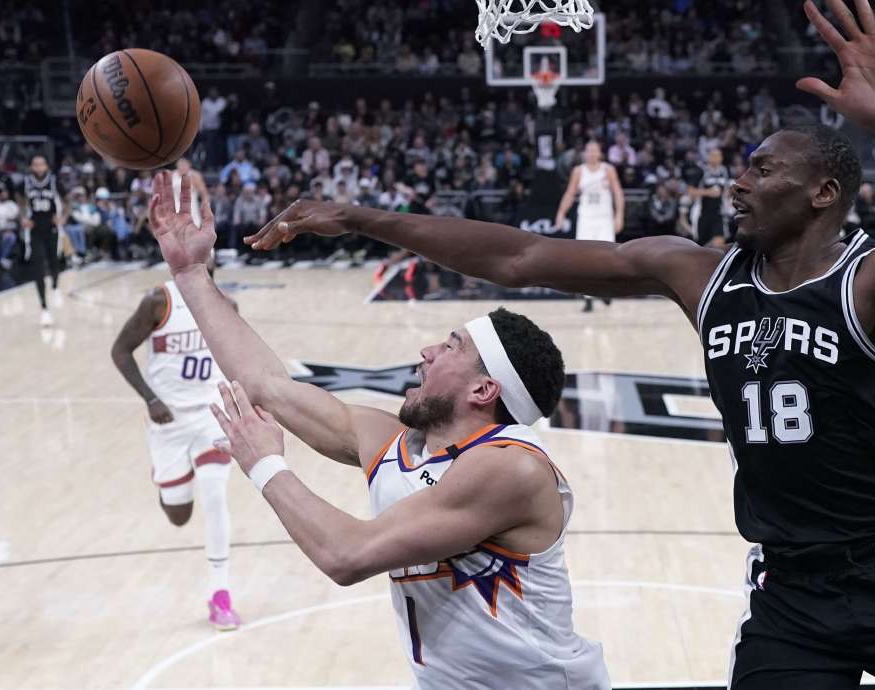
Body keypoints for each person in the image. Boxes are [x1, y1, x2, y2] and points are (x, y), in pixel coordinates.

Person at [249, 1, 875, 687]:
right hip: (789, 586)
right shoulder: (700, 274)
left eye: (762, 170)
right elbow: (519, 256)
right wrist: (363, 218)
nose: (737, 183)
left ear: (823, 193)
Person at [147, 171, 609, 689]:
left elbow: (347, 556)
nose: (426, 352)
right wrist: (190, 272)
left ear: (484, 389)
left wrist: (265, 465)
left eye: (450, 346)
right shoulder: (396, 443)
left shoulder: (511, 468)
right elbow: (266, 385)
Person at [109, 252, 242, 631]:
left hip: (210, 414)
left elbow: (237, 359)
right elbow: (120, 351)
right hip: (168, 419)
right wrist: (150, 399)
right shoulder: (158, 301)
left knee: (215, 494)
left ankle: (220, 593)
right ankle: (171, 483)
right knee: (178, 515)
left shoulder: (227, 305)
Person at [554, 140, 624, 312]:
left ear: (600, 153)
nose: (592, 153)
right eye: (589, 150)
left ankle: (606, 290)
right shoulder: (578, 171)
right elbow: (570, 193)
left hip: (604, 219)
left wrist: (619, 215)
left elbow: (618, 193)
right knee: (584, 259)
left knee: (608, 257)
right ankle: (588, 299)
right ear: (584, 153)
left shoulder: (608, 170)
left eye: (595, 150)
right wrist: (561, 213)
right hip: (586, 218)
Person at [20, 155, 64, 326]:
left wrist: (63, 217)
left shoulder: (54, 181)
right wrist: (22, 217)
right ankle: (44, 308)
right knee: (38, 267)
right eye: (35, 164)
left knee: (54, 262)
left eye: (41, 164)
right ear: (31, 167)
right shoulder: (25, 182)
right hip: (34, 228)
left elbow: (68, 199)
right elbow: (19, 200)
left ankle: (55, 286)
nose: (38, 167)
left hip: (51, 227)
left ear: (46, 166)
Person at [171, 157, 211, 229]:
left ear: (189, 165)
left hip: (192, 211)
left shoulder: (195, 176)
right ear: (177, 165)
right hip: (175, 212)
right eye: (180, 164)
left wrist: (205, 207)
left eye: (184, 164)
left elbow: (204, 194)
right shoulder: (172, 175)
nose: (182, 167)